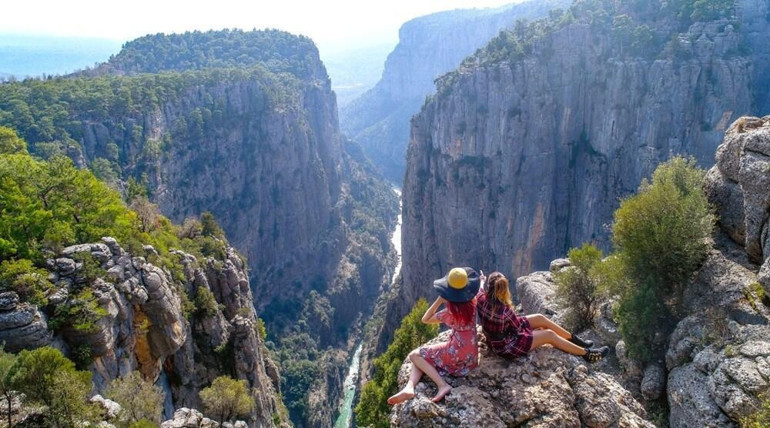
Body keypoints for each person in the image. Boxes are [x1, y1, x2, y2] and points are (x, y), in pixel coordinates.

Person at [387, 267, 480, 405]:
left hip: (456, 353)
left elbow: (425, 319)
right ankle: (409, 387)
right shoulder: (473, 304)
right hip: (471, 357)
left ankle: (442, 385)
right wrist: (482, 282)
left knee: (415, 356)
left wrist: (439, 300)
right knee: (423, 358)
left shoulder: (449, 313)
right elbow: (479, 292)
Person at [476, 271, 609, 362]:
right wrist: (537, 334)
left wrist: (481, 280)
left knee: (540, 318)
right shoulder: (505, 311)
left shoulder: (481, 299)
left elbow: (480, 290)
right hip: (506, 346)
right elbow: (518, 330)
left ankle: (576, 341)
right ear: (504, 289)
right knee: (549, 335)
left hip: (497, 340)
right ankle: (587, 354)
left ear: (490, 287)